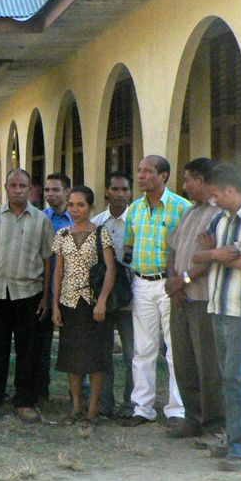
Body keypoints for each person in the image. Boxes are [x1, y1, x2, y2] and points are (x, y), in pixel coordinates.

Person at [192, 163, 241, 472]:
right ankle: (234, 437)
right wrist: (216, 253)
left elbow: (239, 263)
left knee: (235, 377)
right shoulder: (220, 218)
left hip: (240, 308)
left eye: (216, 195)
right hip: (218, 305)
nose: (213, 201)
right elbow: (201, 253)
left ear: (230, 191)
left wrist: (215, 255)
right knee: (227, 376)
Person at [0, 168, 53, 424]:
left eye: (23, 186)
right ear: (5, 188)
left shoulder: (41, 220)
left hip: (29, 293)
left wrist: (46, 297)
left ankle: (24, 402)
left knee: (28, 351)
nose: (18, 190)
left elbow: (48, 260)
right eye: (13, 185)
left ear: (31, 189)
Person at [121, 155, 190, 428]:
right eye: (139, 171)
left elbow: (186, 251)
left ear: (163, 176)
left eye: (147, 171)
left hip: (169, 286)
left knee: (175, 349)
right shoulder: (135, 209)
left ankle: (177, 410)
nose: (140, 176)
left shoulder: (181, 208)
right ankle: (143, 407)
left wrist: (179, 283)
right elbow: (128, 247)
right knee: (143, 349)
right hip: (141, 284)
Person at [165, 158, 224, 441]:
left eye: (188, 180)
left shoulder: (218, 215)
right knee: (183, 360)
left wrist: (184, 280)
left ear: (202, 181)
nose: (185, 185)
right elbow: (174, 249)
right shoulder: (189, 212)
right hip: (181, 299)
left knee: (207, 364)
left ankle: (213, 424)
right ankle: (192, 417)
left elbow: (212, 260)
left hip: (202, 299)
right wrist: (173, 284)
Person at [52, 186, 116, 426]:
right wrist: (56, 305)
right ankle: (76, 406)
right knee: (72, 357)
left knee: (95, 357)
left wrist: (102, 301)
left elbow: (110, 268)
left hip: (93, 303)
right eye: (71, 205)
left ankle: (93, 409)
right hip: (69, 302)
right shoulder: (62, 234)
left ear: (91, 207)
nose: (75, 209)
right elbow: (58, 271)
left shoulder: (101, 232)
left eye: (81, 205)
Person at [91, 171, 135, 418]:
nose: (120, 194)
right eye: (115, 189)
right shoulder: (98, 223)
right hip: (103, 300)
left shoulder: (137, 221)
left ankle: (131, 404)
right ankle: (104, 403)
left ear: (130, 192)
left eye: (124, 190)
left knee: (132, 354)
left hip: (131, 299)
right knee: (103, 353)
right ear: (107, 191)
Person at [39, 172, 74, 401]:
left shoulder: (77, 220)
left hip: (70, 292)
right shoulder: (40, 218)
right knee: (40, 346)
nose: (50, 194)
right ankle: (40, 391)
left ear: (67, 191)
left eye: (55, 190)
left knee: (73, 345)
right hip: (43, 290)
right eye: (47, 190)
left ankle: (76, 394)